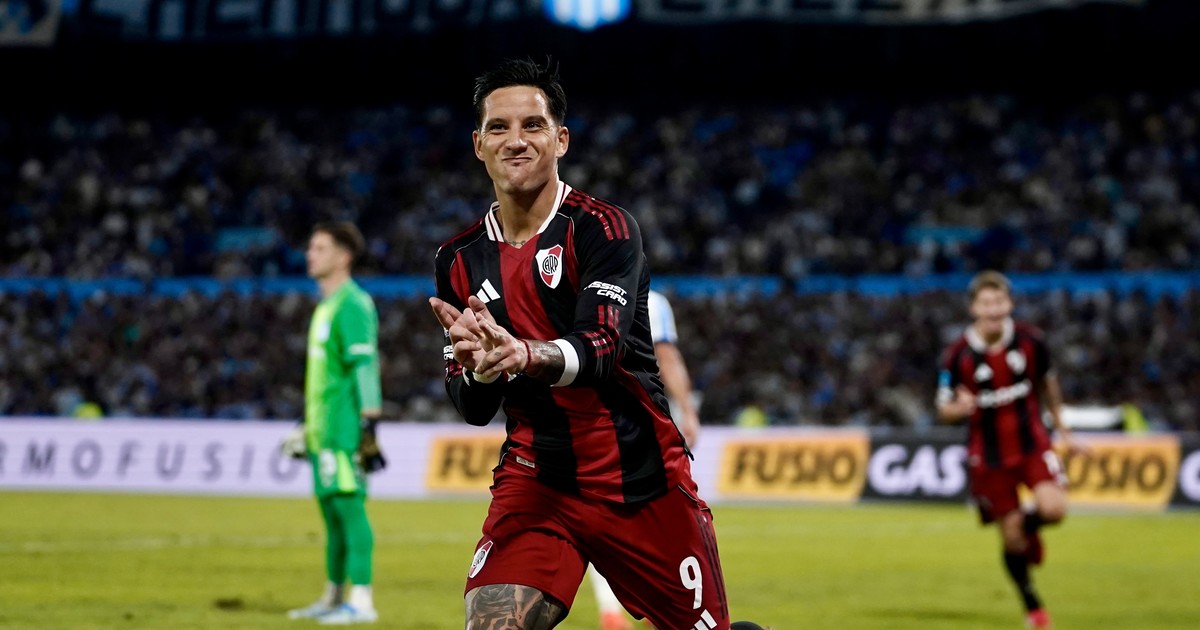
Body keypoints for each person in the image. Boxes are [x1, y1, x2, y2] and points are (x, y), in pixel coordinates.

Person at [428, 57, 753, 630]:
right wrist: (481, 370)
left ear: (561, 139)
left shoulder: (604, 228)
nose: (515, 140)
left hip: (638, 477)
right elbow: (473, 407)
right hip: (537, 478)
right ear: (479, 145)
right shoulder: (457, 259)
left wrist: (524, 353)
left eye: (533, 125)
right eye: (499, 128)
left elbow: (600, 349)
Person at [935, 270, 1085, 630]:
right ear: (973, 308)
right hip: (988, 457)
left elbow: (1049, 387)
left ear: (1010, 304)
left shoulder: (1031, 341)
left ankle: (1031, 529)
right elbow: (942, 408)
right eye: (986, 303)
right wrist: (958, 409)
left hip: (1032, 443)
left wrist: (1065, 433)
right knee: (1011, 536)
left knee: (1054, 509)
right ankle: (1033, 606)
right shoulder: (957, 356)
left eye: (999, 301)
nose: (994, 309)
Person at [285, 221, 383, 625]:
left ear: (343, 257)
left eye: (320, 248)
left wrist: (369, 425)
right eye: (311, 247)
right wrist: (306, 425)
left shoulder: (353, 304)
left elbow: (365, 367)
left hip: (345, 432)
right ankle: (333, 597)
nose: (310, 254)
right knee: (332, 517)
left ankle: (362, 602)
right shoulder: (325, 306)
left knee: (350, 511)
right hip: (322, 432)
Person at [588, 288, 701, 630]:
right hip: (645, 426)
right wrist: (687, 409)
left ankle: (612, 610)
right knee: (664, 516)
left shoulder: (578, 291)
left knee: (597, 515)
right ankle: (663, 606)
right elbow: (666, 356)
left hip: (592, 424)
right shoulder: (652, 301)